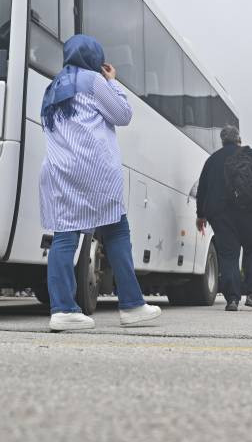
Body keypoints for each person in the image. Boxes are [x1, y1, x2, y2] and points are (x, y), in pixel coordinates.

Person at [39, 34, 162, 332]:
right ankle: (132, 305)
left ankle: (63, 310)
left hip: (59, 170)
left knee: (65, 237)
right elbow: (123, 115)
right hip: (94, 170)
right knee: (117, 232)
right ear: (96, 57)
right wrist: (112, 82)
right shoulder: (94, 80)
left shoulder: (52, 88)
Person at [196, 126, 252, 311]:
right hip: (251, 211)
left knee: (228, 255)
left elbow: (203, 188)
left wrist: (200, 214)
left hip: (221, 214)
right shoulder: (250, 154)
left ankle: (232, 299)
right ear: (238, 139)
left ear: (222, 140)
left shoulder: (212, 160)